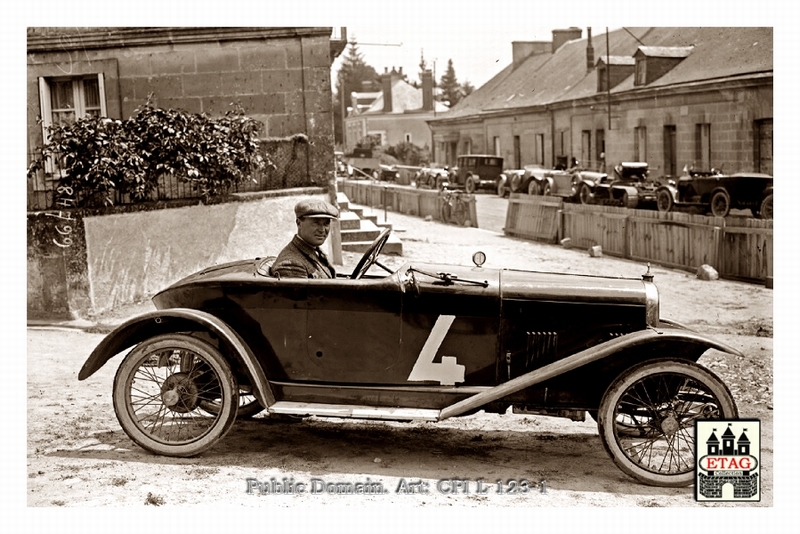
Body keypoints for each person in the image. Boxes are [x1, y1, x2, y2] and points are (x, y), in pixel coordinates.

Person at [271, 198, 340, 279]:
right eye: (316, 223)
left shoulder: (315, 251)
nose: (322, 230)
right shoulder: (291, 265)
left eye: (326, 224)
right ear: (299, 223)